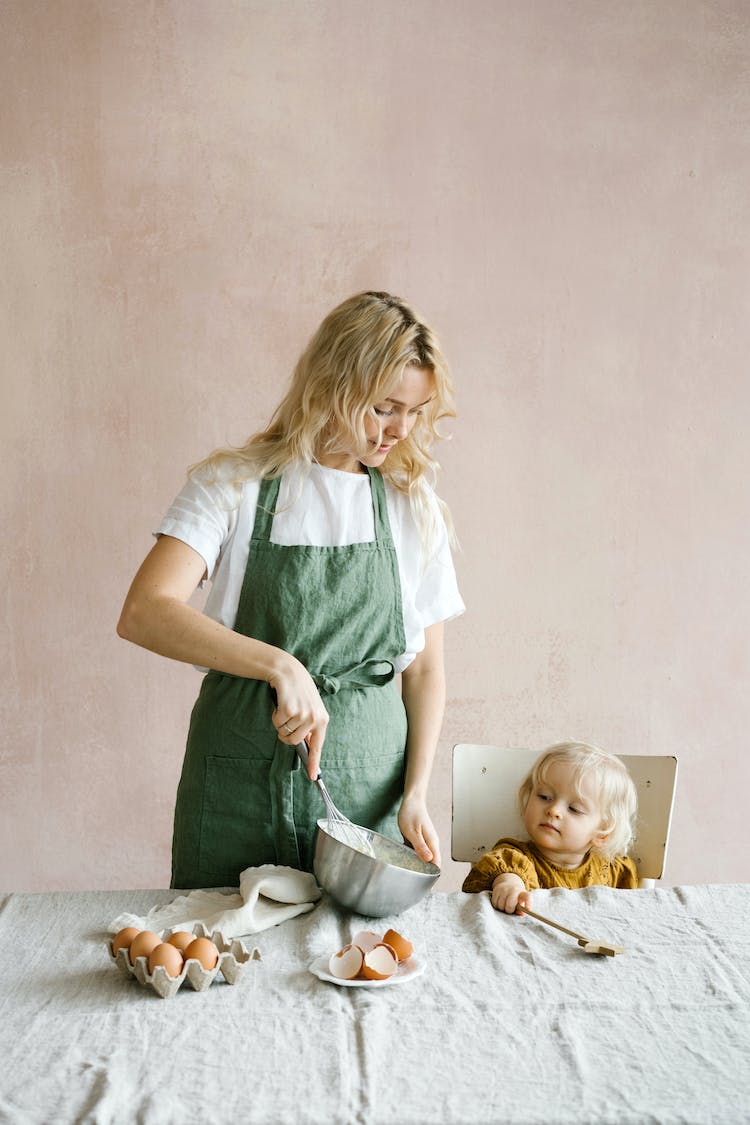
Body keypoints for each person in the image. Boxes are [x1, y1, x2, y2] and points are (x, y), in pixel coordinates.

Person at [117, 290, 464, 888]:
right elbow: (145, 611)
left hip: (365, 789)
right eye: (385, 407)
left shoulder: (413, 508)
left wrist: (415, 793)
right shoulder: (235, 483)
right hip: (235, 786)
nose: (401, 430)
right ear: (334, 383)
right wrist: (281, 665)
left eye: (416, 410)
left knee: (355, 963)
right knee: (223, 957)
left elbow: (426, 670)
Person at [462, 741, 639, 912]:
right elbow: (506, 872)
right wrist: (509, 886)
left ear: (602, 832)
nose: (554, 810)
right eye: (545, 797)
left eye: (574, 809)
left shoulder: (614, 871)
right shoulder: (516, 857)